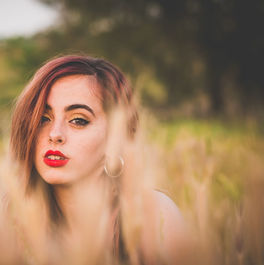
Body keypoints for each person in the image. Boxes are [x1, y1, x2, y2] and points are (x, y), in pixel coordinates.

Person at [10, 55, 191, 264]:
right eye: (43, 118)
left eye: (78, 120)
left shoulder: (154, 217)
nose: (55, 134)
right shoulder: (6, 222)